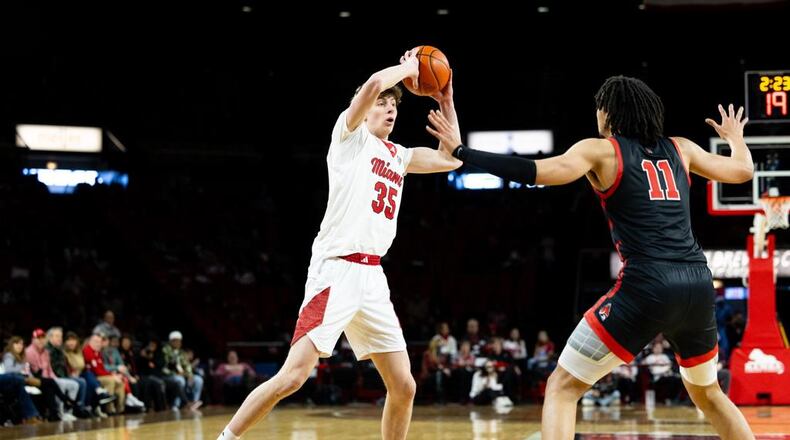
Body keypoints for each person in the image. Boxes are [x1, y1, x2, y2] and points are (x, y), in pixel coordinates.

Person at [426, 75, 755, 440]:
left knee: (562, 388)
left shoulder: (600, 150)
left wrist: (462, 152)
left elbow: (535, 173)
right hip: (697, 284)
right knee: (709, 394)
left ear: (608, 112)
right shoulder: (682, 148)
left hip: (647, 284)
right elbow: (743, 171)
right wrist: (735, 140)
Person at [217, 49, 462, 440]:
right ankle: (225, 438)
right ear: (364, 110)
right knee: (293, 377)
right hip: (338, 269)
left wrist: (445, 101)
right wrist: (409, 69)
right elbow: (373, 84)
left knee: (405, 386)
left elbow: (451, 159)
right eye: (381, 104)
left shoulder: (399, 155)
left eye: (393, 106)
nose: (388, 108)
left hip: (372, 277)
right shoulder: (349, 138)